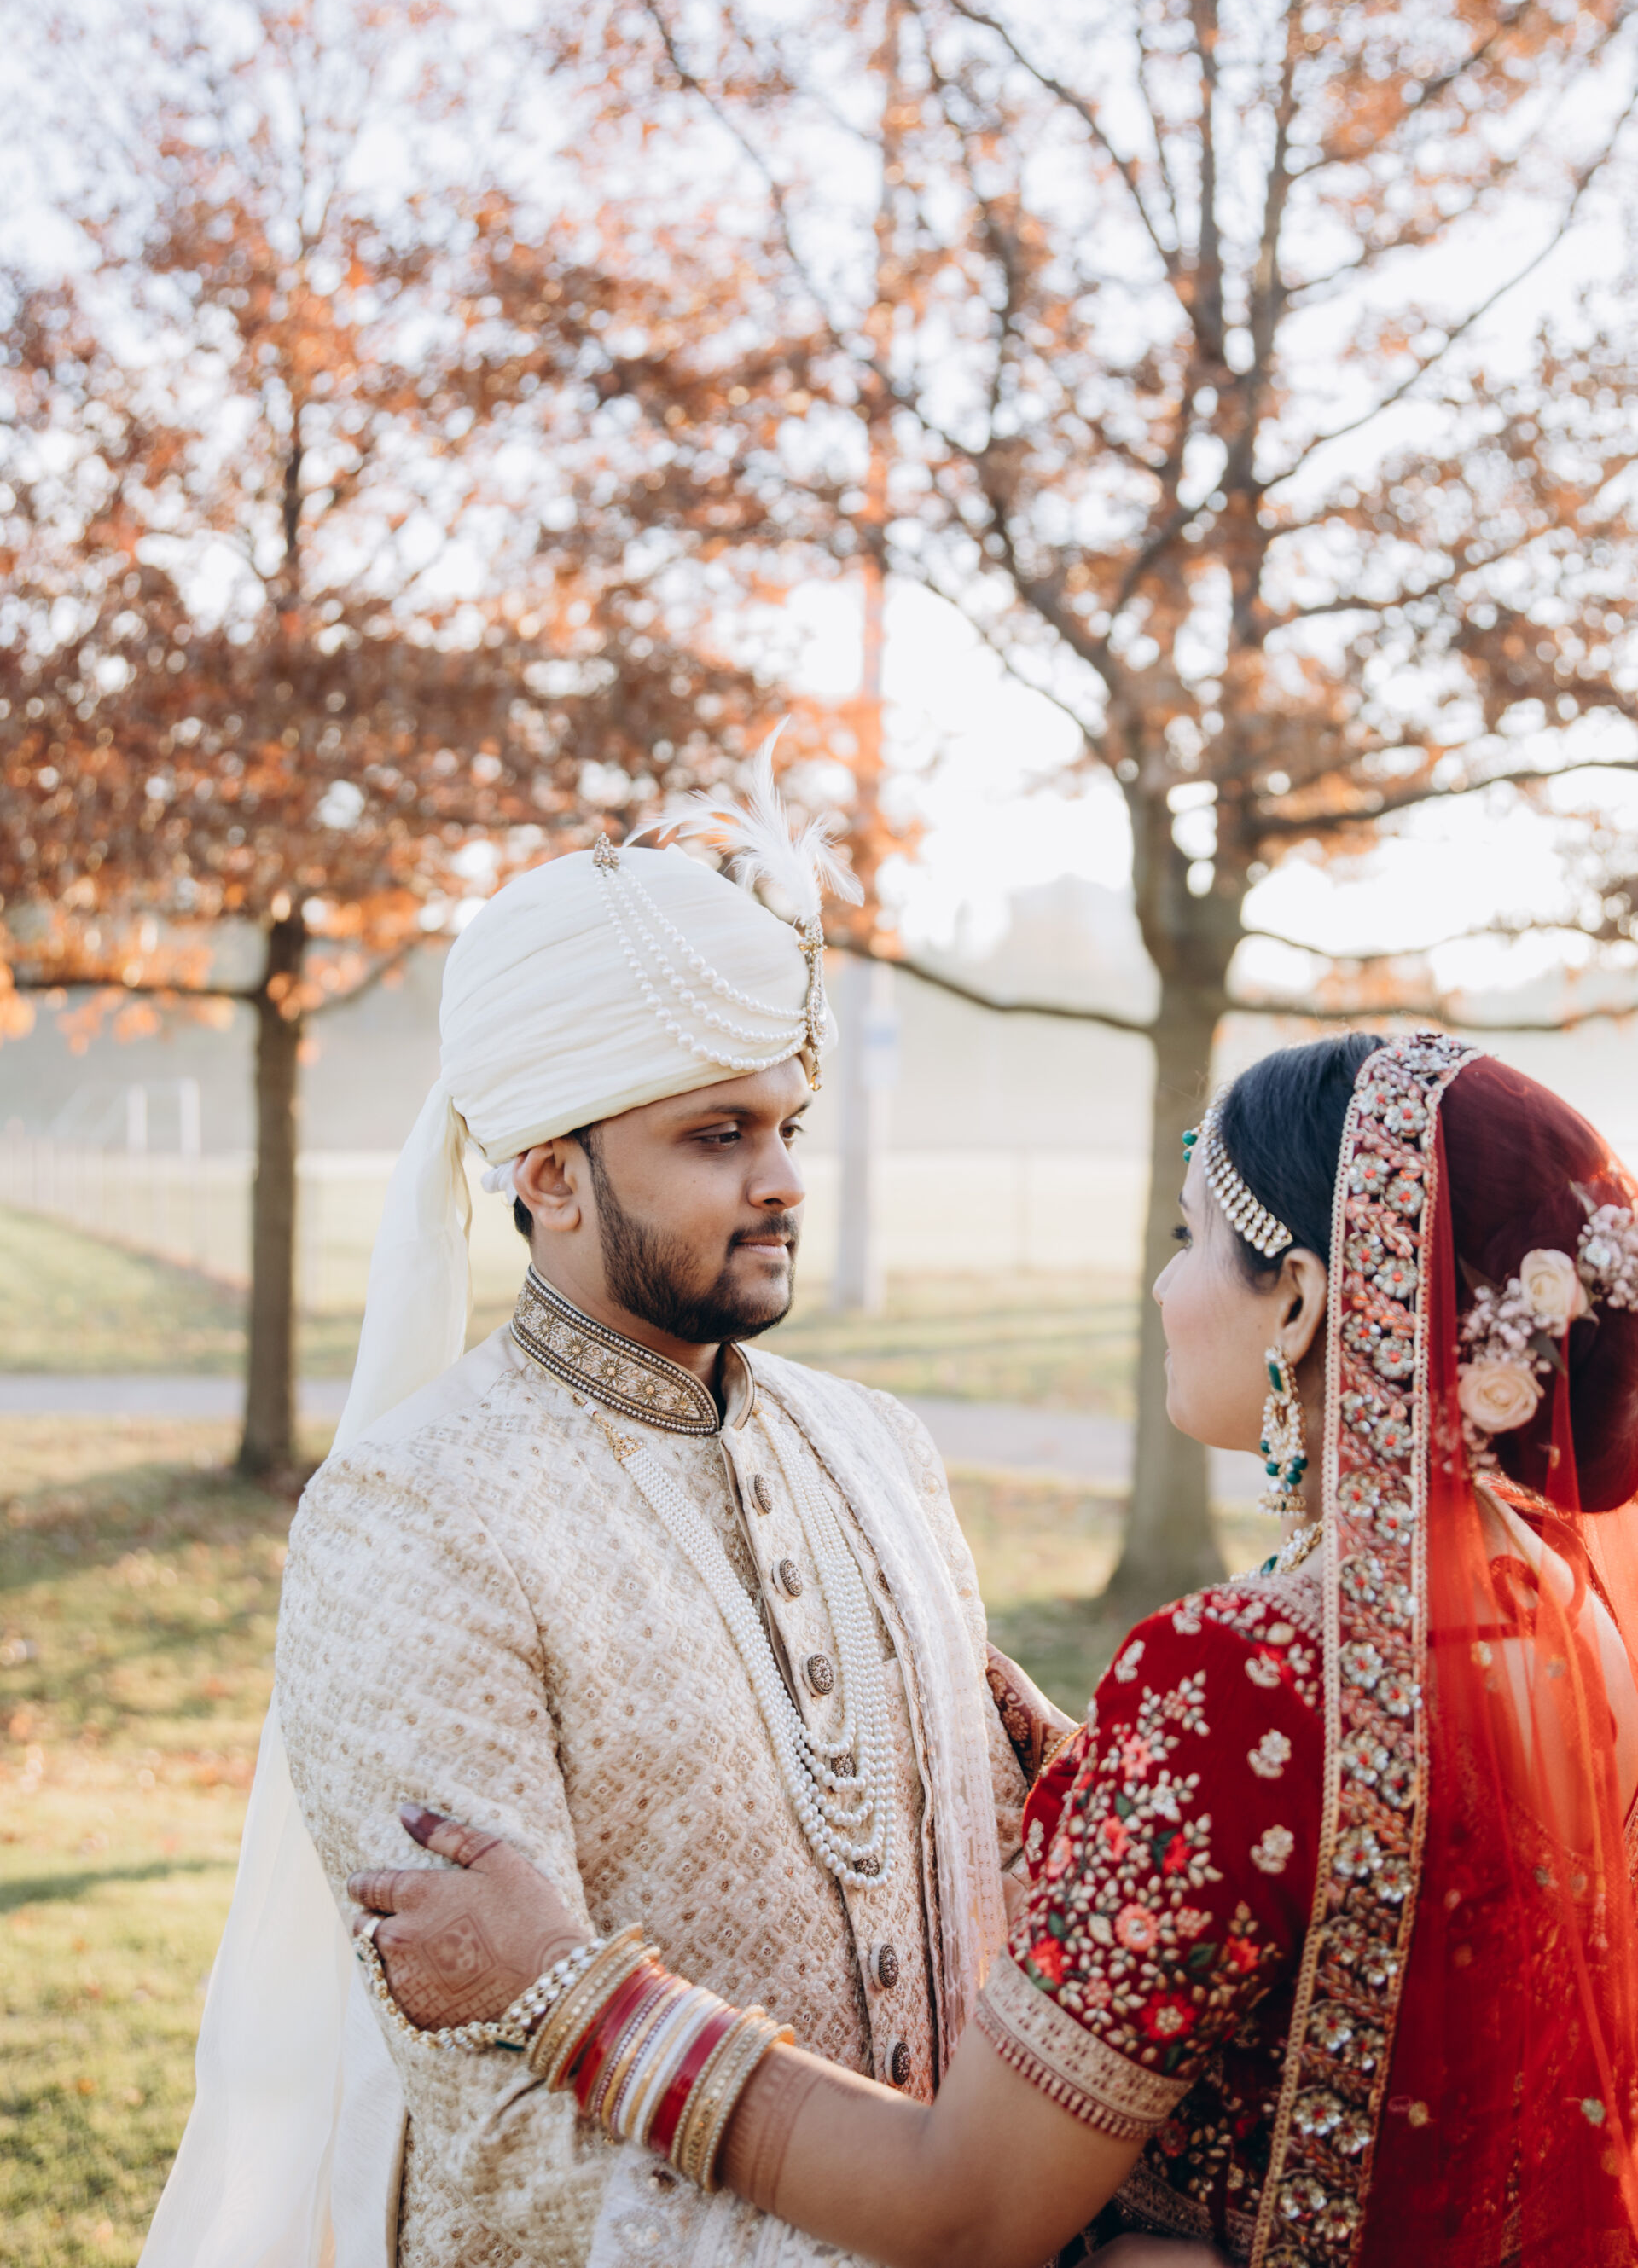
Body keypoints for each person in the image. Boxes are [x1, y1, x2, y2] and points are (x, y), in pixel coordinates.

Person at [356, 1030, 1638, 2266]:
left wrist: (576, 1994)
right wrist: (1101, 1778)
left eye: (1189, 1238)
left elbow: (964, 2211)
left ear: (1297, 1301)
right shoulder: (1564, 1612)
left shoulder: (1242, 1676)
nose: (1163, 1286)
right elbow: (1372, 1893)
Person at [139, 750, 1064, 2268]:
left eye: (789, 1125)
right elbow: (507, 2131)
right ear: (552, 1177)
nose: (783, 1180)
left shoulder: (883, 1450)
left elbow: (1007, 1917)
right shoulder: (411, 1517)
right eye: (719, 1135)